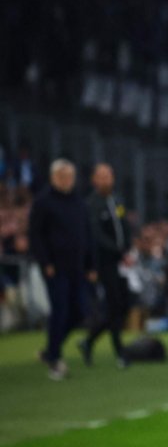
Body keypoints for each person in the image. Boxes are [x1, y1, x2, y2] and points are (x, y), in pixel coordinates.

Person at [29, 158, 95, 380]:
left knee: (80, 312)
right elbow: (35, 236)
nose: (68, 181)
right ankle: (55, 359)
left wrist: (90, 264)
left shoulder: (78, 202)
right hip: (55, 268)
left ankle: (51, 349)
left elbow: (86, 234)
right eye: (63, 176)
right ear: (54, 177)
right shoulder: (43, 202)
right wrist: (45, 262)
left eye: (71, 177)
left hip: (77, 267)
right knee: (60, 311)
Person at [79, 163, 132, 368]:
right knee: (114, 304)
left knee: (121, 306)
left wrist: (126, 250)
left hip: (121, 261)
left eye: (108, 176)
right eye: (101, 176)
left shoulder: (117, 200)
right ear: (94, 180)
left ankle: (89, 341)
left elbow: (125, 226)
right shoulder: (91, 204)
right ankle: (120, 352)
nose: (105, 180)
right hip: (103, 262)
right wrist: (119, 252)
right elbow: (96, 236)